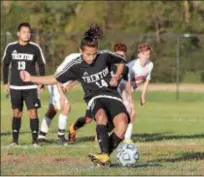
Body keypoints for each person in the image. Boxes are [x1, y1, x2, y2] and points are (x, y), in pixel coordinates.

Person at [20, 24, 130, 166]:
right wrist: (31, 78)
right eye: (87, 54)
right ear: (81, 51)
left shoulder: (104, 56)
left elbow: (121, 61)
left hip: (112, 95)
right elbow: (54, 79)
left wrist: (116, 76)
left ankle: (104, 156)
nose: (91, 58)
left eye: (94, 54)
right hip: (94, 97)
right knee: (100, 116)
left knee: (122, 123)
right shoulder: (75, 65)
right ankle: (103, 154)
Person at [67, 43, 134, 144]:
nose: (120, 58)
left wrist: (130, 99)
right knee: (88, 119)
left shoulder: (124, 69)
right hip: (97, 95)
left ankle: (101, 138)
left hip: (112, 97)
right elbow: (85, 75)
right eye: (118, 55)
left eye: (122, 56)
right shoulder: (106, 64)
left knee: (113, 120)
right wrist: (69, 85)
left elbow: (125, 83)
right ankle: (73, 128)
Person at [2, 22, 46, 146]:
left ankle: (35, 141)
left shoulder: (35, 48)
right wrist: (5, 82)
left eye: (28, 32)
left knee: (33, 112)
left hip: (31, 86)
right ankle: (15, 141)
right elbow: (5, 65)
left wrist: (41, 82)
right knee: (16, 112)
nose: (27, 35)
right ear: (18, 33)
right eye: (24, 32)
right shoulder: (11, 47)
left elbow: (41, 65)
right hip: (15, 86)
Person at [38, 53, 80, 145]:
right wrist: (61, 95)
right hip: (56, 83)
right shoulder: (72, 58)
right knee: (66, 107)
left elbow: (78, 77)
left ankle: (41, 136)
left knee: (53, 110)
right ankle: (60, 137)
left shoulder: (89, 60)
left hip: (63, 84)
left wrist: (69, 86)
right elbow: (57, 76)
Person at [122, 43, 154, 143]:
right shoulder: (132, 67)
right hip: (121, 90)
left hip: (128, 92)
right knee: (128, 112)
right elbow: (124, 84)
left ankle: (127, 137)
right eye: (144, 54)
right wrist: (130, 101)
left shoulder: (150, 65)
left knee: (129, 114)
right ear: (139, 54)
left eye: (148, 54)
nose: (146, 56)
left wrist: (143, 96)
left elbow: (146, 81)